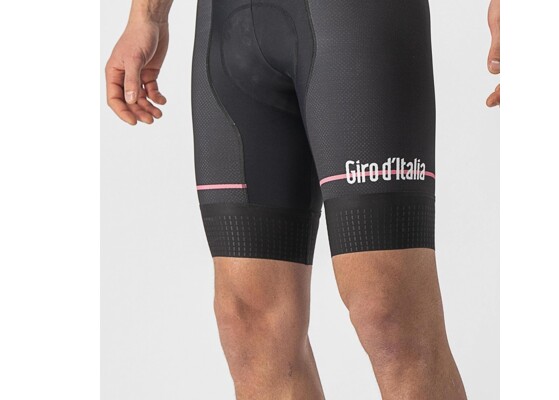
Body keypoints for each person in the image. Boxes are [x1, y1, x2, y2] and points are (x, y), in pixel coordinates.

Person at [105, 0, 499, 398]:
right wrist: (147, 15)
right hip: (227, 23)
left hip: (357, 18)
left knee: (388, 309)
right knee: (248, 322)